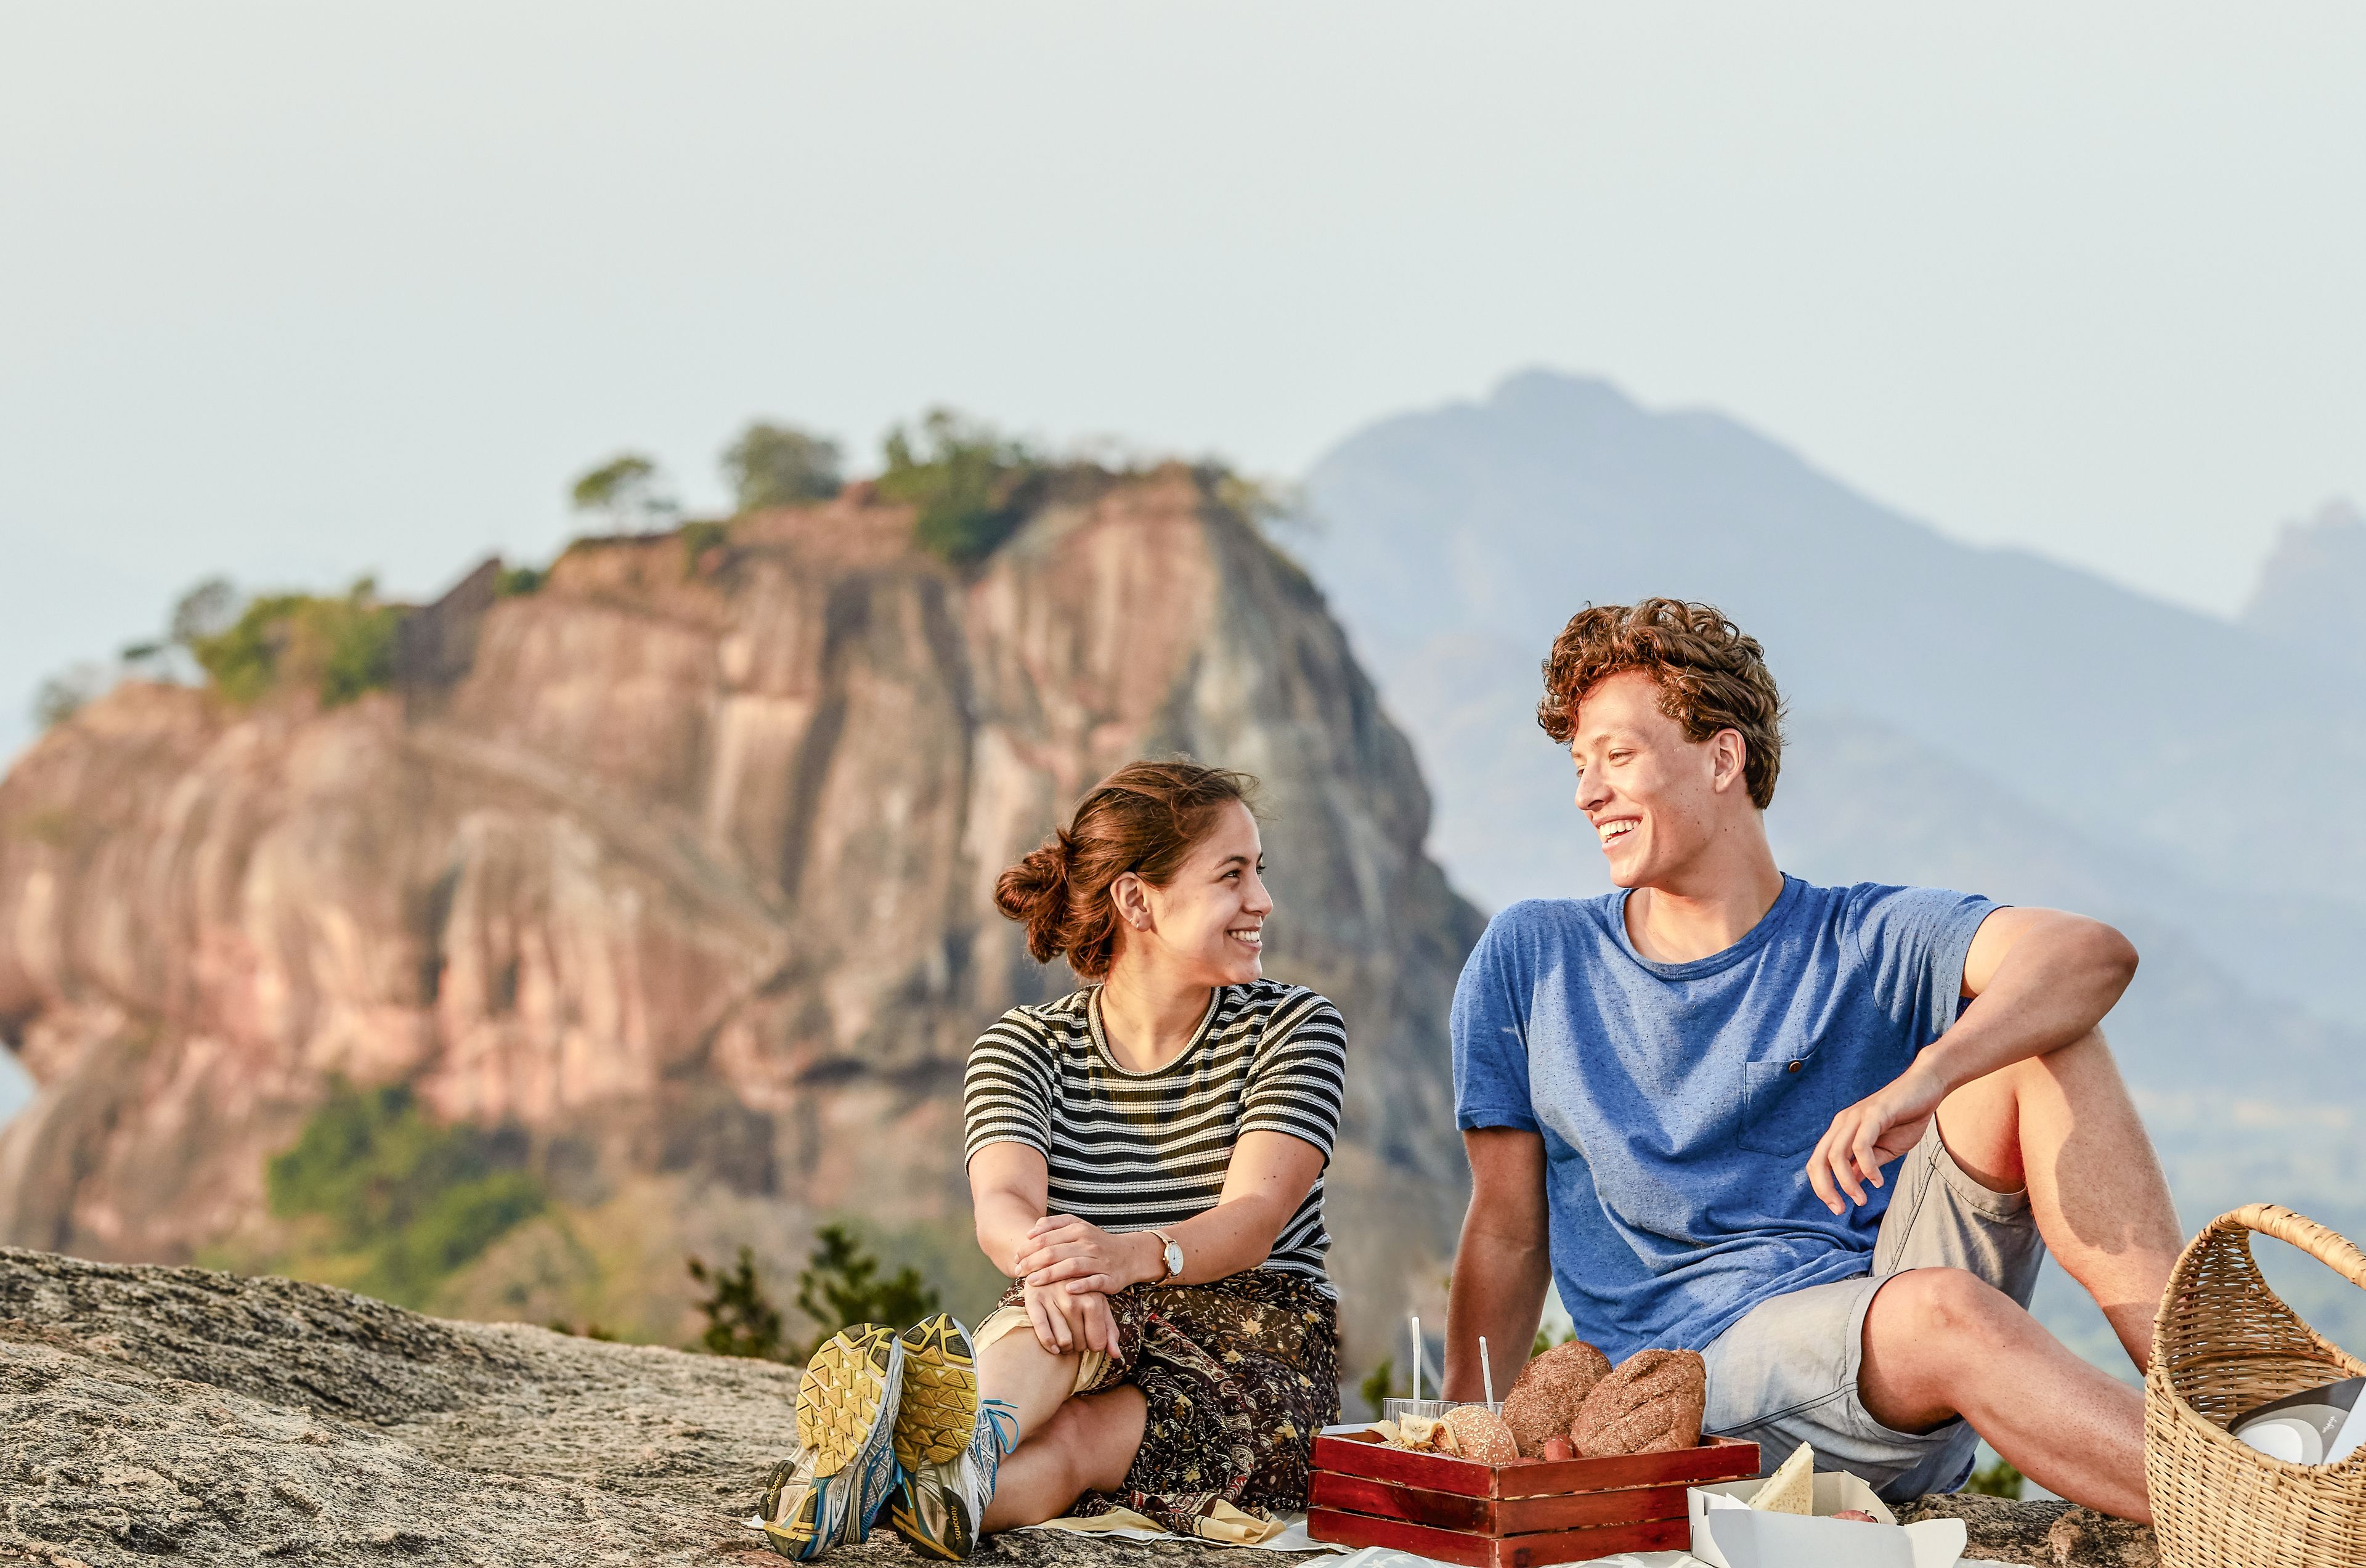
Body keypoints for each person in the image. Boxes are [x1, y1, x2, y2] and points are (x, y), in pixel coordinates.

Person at [1441, 599, 2183, 1522]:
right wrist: (1459, 1442)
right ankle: (2257, 1505)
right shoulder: (1534, 957)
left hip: (1893, 1348)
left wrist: (1930, 1076)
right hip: (1700, 1379)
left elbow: (2089, 955)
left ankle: (2208, 1396)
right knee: (1941, 1312)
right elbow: (1508, 1230)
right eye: (1580, 765)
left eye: (1618, 757)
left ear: (1723, 759)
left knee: (2039, 1031)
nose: (1587, 793)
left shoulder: (1861, 935)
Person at [755, 759, 1348, 1561]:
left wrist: (1120, 1257)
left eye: (1259, 873)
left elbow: (1252, 1220)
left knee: (1077, 1440)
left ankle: (895, 1470)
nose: (1262, 902)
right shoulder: (1023, 1046)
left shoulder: (1294, 1028)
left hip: (1248, 1345)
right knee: (1056, 1316)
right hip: (1078, 1319)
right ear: (1137, 900)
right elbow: (1002, 1203)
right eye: (1232, 876)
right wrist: (1060, 1268)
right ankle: (946, 1470)